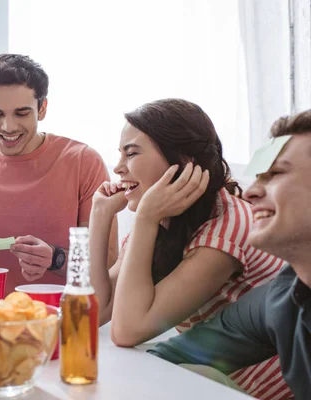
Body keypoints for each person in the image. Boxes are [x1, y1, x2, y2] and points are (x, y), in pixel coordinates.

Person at [90, 99, 290, 398]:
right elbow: (93, 312)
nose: (118, 168)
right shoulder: (163, 222)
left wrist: (144, 218)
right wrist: (99, 217)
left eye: (131, 153)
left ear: (180, 160)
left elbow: (126, 331)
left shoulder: (228, 223)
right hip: (214, 385)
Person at [148, 109, 311, 399]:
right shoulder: (284, 296)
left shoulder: (225, 230)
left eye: (276, 173)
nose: (251, 192)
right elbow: (169, 355)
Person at [0, 54, 115, 294]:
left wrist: (56, 259)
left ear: (42, 109)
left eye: (21, 113)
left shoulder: (83, 162)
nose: (8, 127)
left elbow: (108, 264)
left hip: (66, 315)